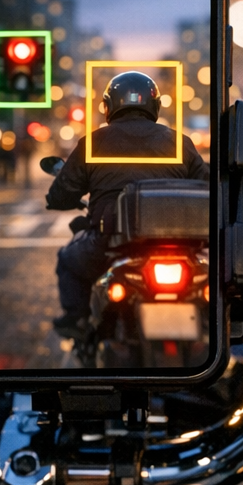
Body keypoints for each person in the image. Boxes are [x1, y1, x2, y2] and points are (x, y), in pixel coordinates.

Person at [45, 71, 209, 334]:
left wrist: (58, 199)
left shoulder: (92, 143)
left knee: (67, 258)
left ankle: (77, 319)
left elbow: (62, 193)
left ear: (109, 107)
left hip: (109, 245)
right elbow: (207, 186)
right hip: (181, 248)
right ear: (154, 106)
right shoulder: (180, 143)